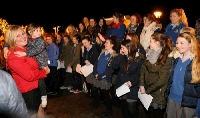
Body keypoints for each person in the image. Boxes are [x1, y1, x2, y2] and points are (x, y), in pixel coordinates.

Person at [5, 25, 50, 117]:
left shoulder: (26, 49)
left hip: (36, 87)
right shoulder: (14, 55)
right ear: (12, 39)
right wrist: (44, 72)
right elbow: (29, 76)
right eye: (17, 36)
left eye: (23, 33)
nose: (23, 37)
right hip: (28, 92)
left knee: (41, 110)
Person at [164, 32, 200, 118]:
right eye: (177, 43)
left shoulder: (196, 63)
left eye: (181, 43)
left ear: (190, 44)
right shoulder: (176, 60)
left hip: (187, 104)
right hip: (172, 99)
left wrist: (198, 112)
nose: (178, 45)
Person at [139, 32, 174, 118]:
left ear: (157, 43)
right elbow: (143, 69)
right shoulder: (150, 53)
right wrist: (141, 84)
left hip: (157, 94)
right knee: (149, 114)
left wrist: (147, 90)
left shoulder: (166, 57)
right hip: (147, 90)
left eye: (150, 41)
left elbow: (162, 79)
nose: (149, 43)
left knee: (156, 114)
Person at [113, 37, 146, 118]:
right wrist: (120, 55)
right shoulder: (122, 57)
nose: (121, 49)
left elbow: (140, 74)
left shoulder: (138, 59)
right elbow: (114, 66)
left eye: (123, 48)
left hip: (132, 87)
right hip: (122, 86)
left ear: (129, 48)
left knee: (132, 109)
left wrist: (132, 81)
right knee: (124, 108)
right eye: (121, 48)